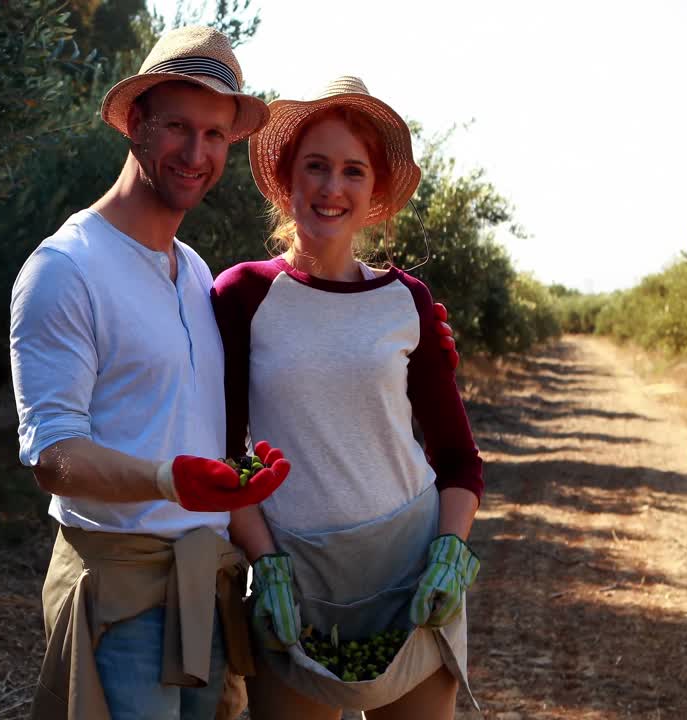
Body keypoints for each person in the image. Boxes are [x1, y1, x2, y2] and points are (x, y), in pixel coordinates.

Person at [9, 26, 293, 720]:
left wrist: (393, 315)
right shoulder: (65, 269)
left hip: (209, 585)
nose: (196, 154)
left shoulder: (195, 271)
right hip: (121, 597)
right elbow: (54, 456)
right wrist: (168, 480)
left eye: (216, 136)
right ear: (135, 123)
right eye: (178, 128)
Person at [211, 76, 484, 719]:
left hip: (411, 570)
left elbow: (457, 457)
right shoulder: (242, 295)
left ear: (375, 193)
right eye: (316, 166)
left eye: (353, 171)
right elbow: (224, 455)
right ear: (287, 177)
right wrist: (265, 560)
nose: (333, 187)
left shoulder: (407, 300)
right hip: (295, 578)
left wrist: (450, 549)